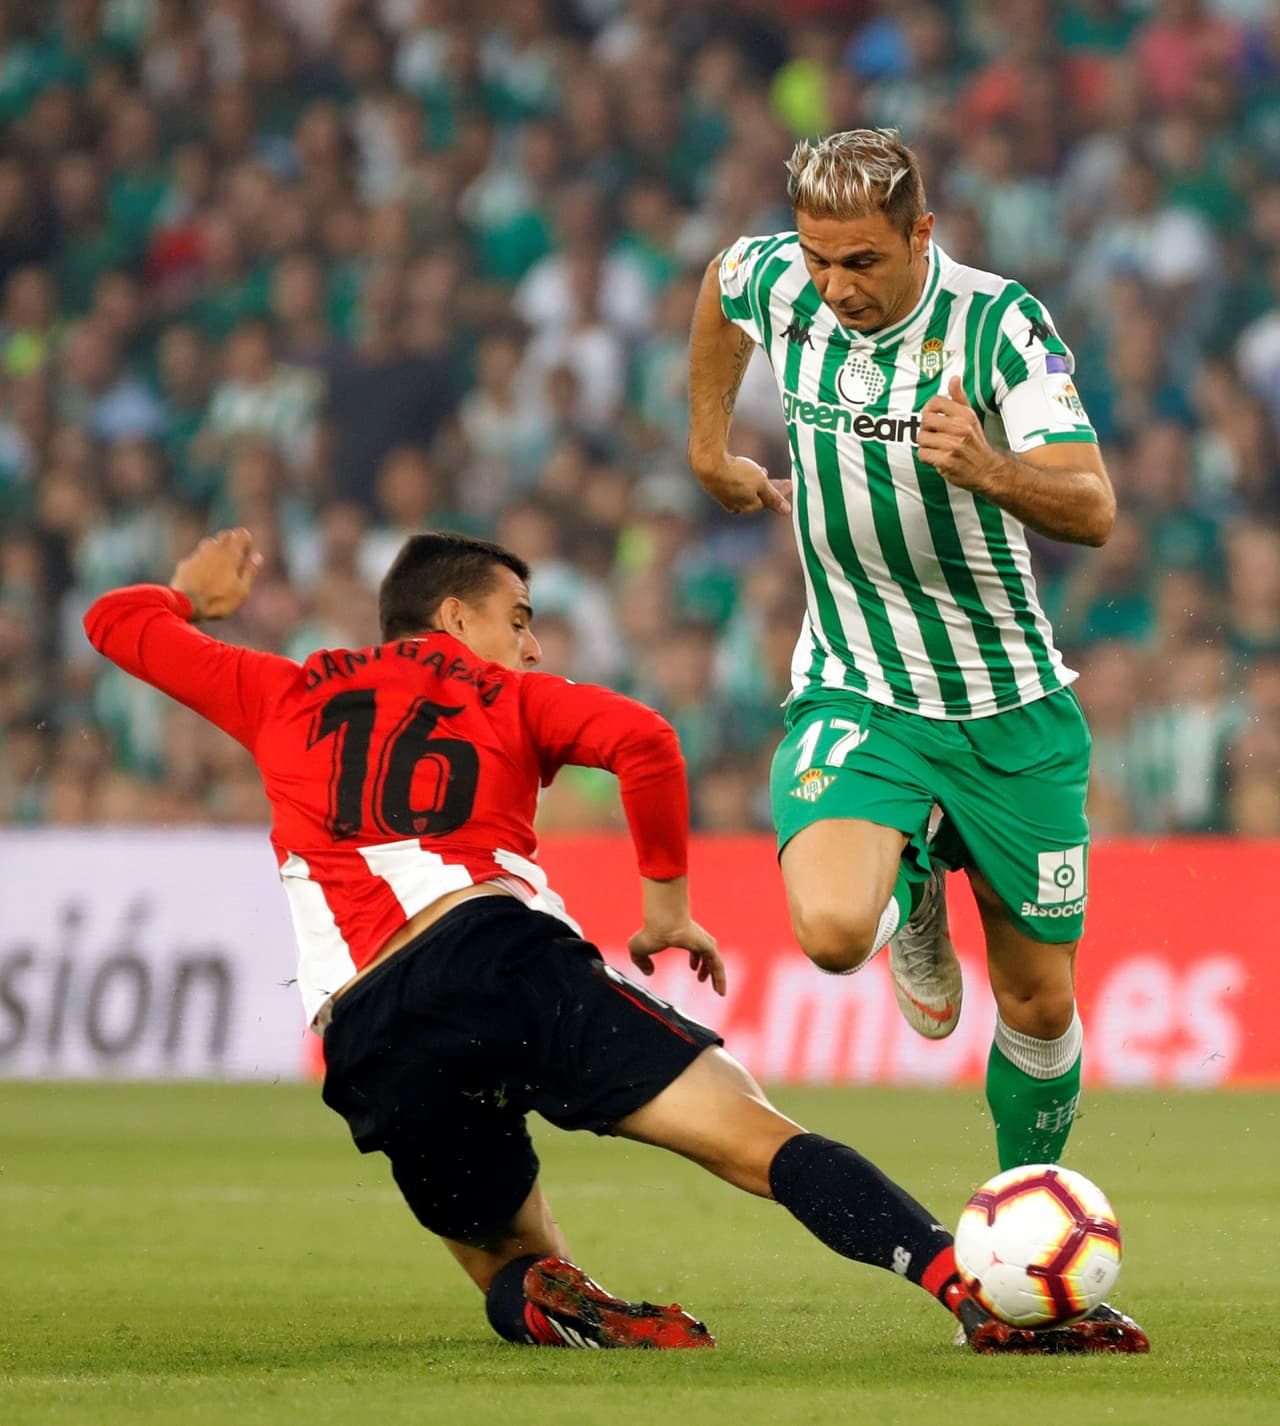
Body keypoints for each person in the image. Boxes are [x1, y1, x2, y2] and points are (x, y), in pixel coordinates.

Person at [84, 527, 1145, 1355]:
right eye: (518, 617)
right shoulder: (511, 692)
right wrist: (666, 906)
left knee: (507, 1259)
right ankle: (965, 1288)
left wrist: (190, 593)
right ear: (453, 615)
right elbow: (642, 740)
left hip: (364, 1026)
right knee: (759, 1141)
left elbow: (113, 622)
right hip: (495, 954)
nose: (531, 642)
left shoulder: (277, 688)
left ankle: (562, 1298)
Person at [688, 130, 1126, 1202]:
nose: (834, 287)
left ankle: (1020, 1208)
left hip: (1006, 705)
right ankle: (913, 880)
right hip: (856, 682)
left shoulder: (998, 325)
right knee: (834, 933)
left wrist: (990, 467)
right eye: (818, 258)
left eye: (862, 263)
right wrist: (707, 447)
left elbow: (1094, 507)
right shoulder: (779, 278)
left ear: (920, 232)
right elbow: (719, 285)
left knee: (1033, 1004)